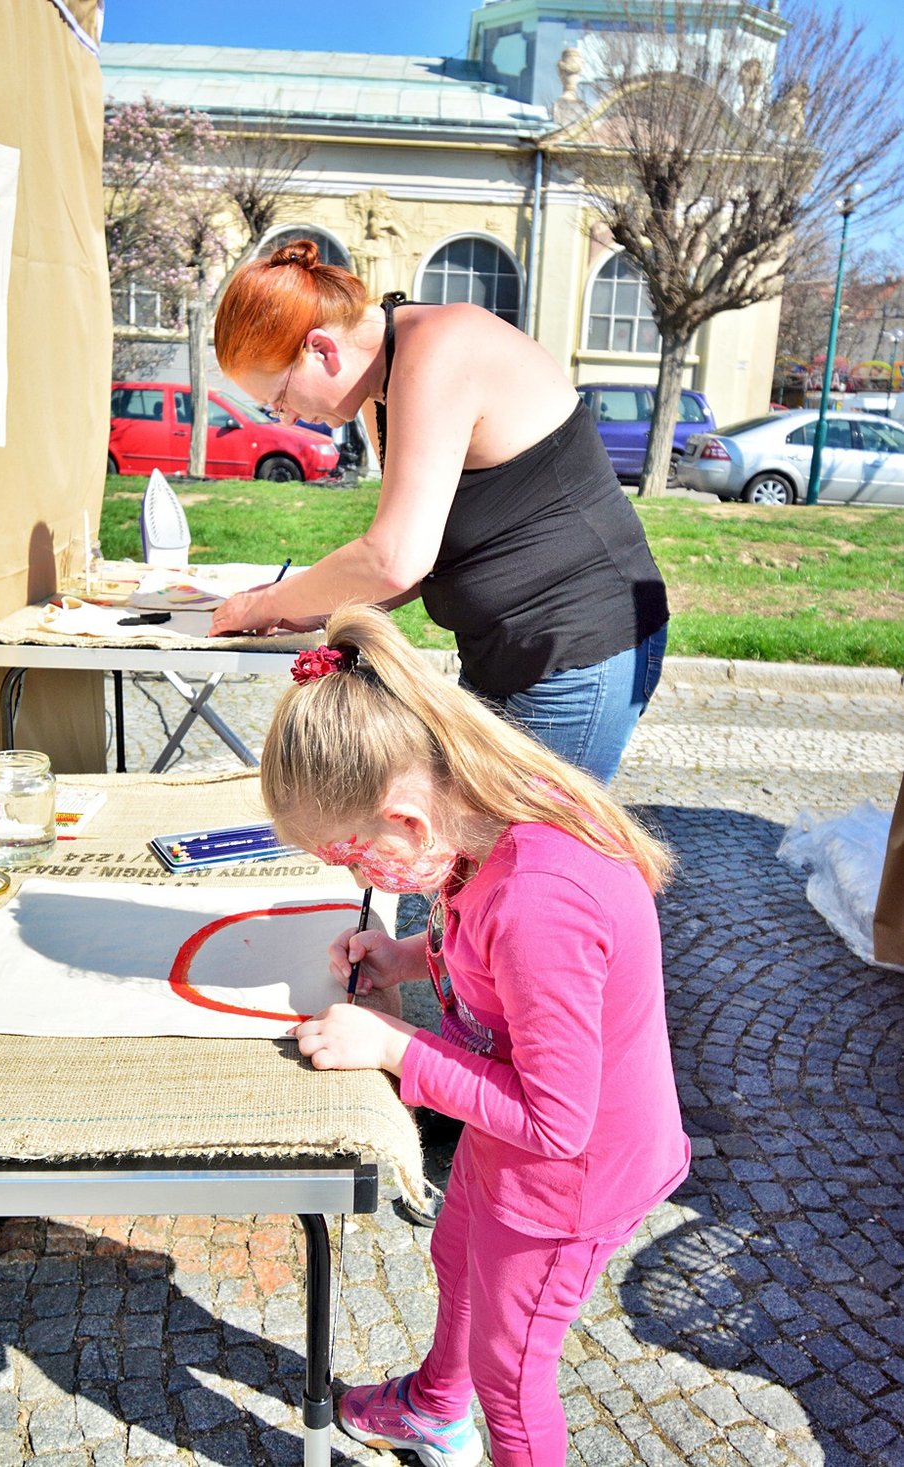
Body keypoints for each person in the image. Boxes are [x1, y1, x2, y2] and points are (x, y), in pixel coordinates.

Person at [260, 603, 691, 1467]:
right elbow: (479, 954)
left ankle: (464, 1412)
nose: (355, 876)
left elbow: (557, 1120)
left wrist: (396, 1049)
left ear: (408, 820)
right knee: (457, 1254)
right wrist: (406, 957)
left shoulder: (539, 901)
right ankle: (431, 1407)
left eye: (352, 857)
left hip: (569, 1177)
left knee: (511, 1366)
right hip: (513, 1133)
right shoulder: (487, 820)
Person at [211, 239, 669, 785]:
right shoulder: (388, 377)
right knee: (485, 852)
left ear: (320, 349)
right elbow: (421, 551)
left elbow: (393, 559)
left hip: (576, 647)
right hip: (511, 649)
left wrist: (265, 604)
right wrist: (309, 608)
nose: (285, 418)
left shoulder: (438, 350)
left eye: (278, 397)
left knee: (531, 853)